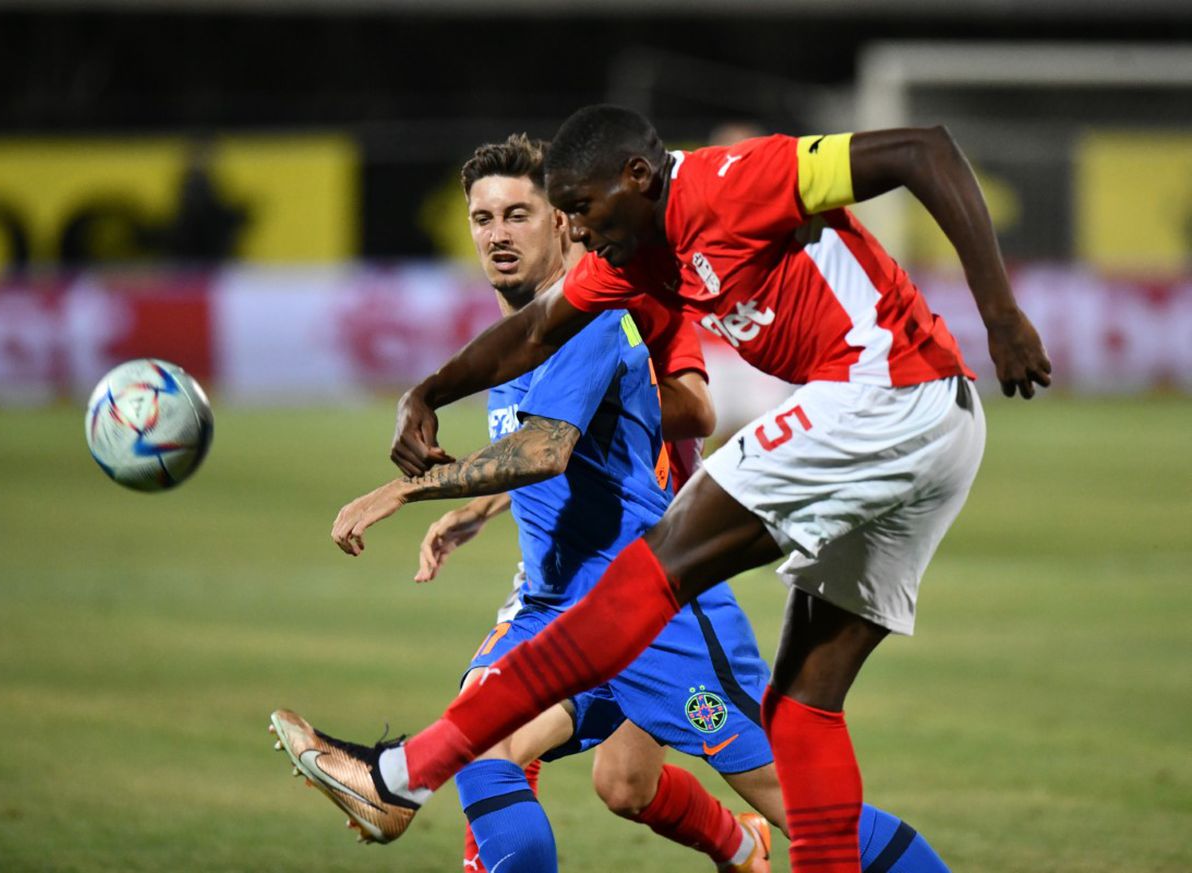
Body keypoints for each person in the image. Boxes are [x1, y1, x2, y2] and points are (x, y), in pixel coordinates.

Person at [380, 107, 1051, 871]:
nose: (574, 230)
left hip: (883, 390)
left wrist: (999, 313)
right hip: (937, 425)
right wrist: (428, 391)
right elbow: (532, 331)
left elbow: (922, 147)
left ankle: (410, 766)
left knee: (647, 568)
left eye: (580, 209)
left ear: (637, 177)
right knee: (800, 714)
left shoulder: (734, 182)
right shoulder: (632, 254)